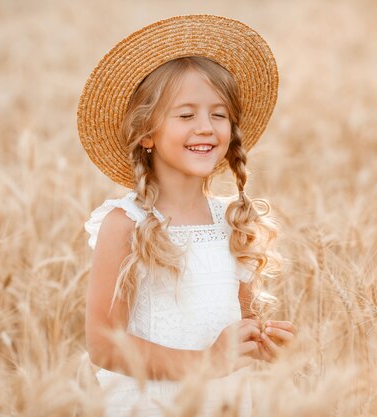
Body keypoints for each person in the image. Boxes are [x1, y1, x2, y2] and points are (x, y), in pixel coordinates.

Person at [77, 14, 295, 417]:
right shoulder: (125, 224)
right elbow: (105, 344)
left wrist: (262, 341)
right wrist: (205, 363)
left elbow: (237, 322)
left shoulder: (233, 223)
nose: (206, 128)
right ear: (146, 133)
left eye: (218, 114)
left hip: (224, 405)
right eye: (185, 115)